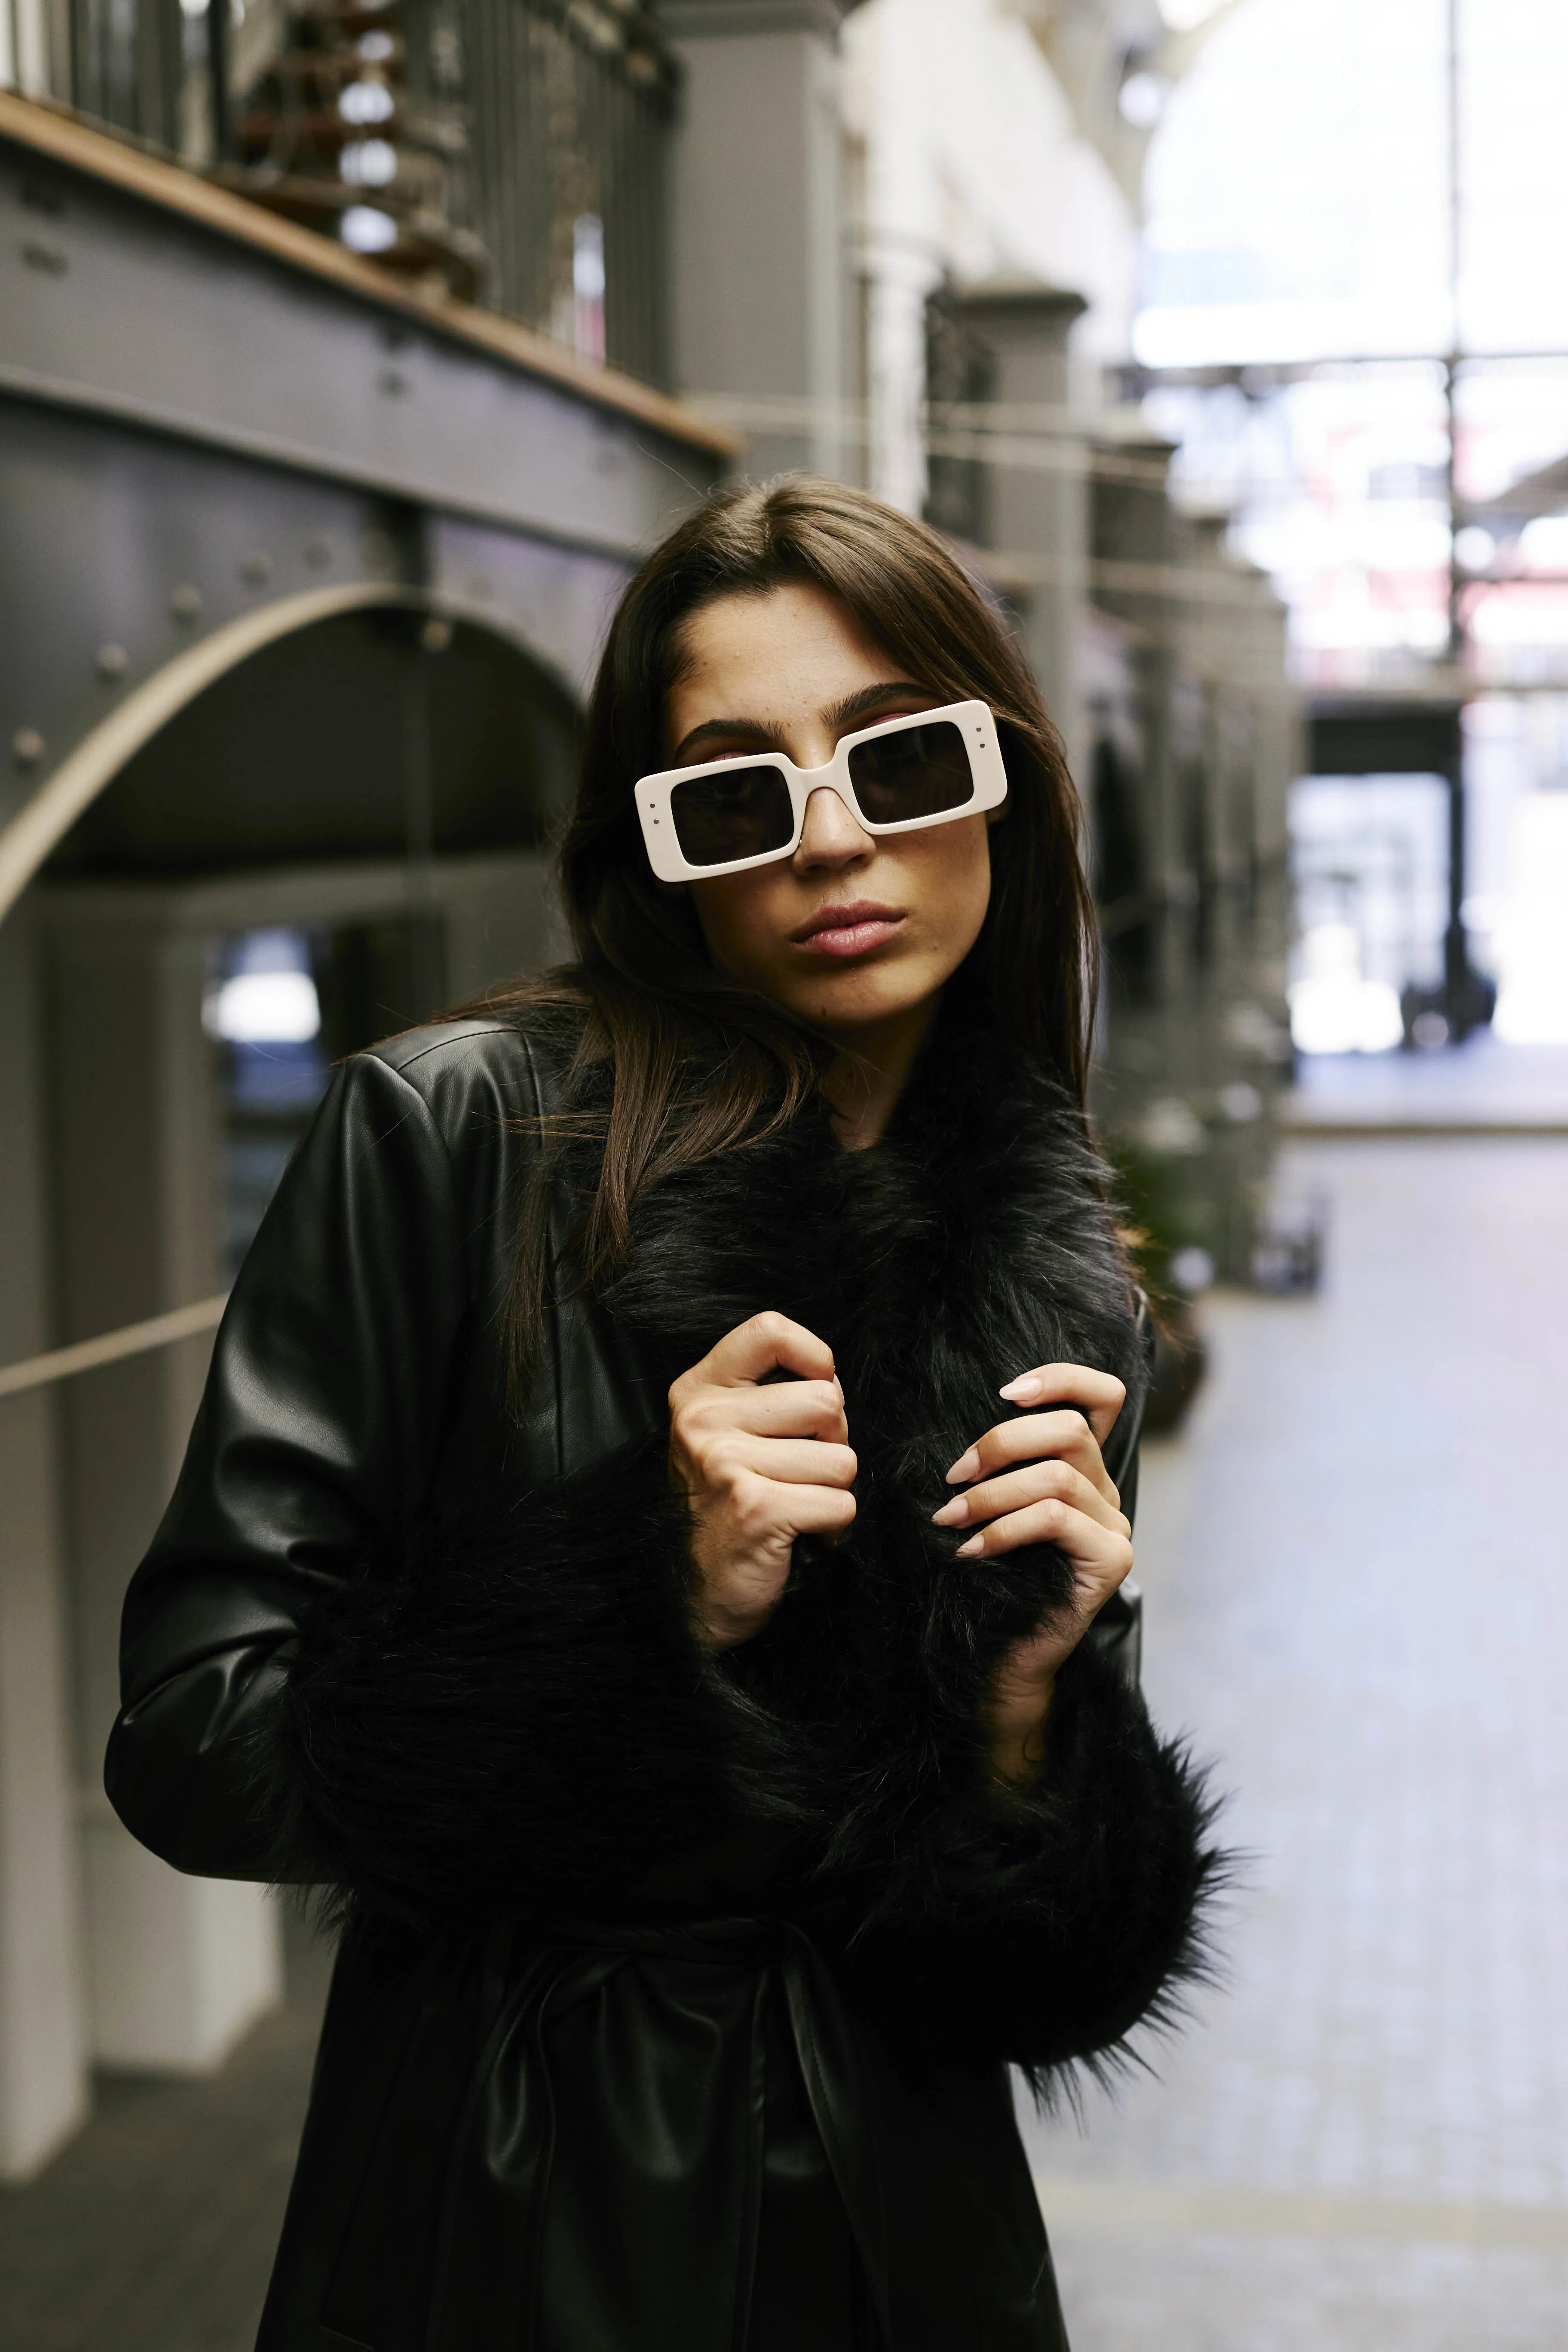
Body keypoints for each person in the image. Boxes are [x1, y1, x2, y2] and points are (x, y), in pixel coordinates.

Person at [107, 478, 1218, 2352]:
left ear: (1003, 783)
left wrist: (1039, 1718)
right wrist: (646, 1593)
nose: (837, 843)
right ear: (666, 854)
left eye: (903, 759)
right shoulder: (452, 1135)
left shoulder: (1059, 1265)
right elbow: (194, 1740)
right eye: (736, 792)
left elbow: (1021, 1946)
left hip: (913, 2221)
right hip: (518, 2203)